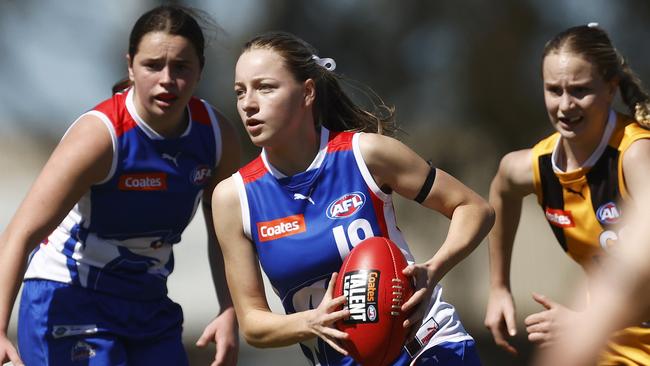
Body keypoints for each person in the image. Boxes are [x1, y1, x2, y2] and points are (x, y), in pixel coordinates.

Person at [211, 31, 494, 366]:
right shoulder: (234, 197)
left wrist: (433, 270)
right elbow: (253, 325)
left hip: (427, 348)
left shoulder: (366, 154)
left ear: (307, 93)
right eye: (240, 92)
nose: (248, 104)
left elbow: (474, 208)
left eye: (265, 87)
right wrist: (309, 322)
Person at [0, 5, 240, 366]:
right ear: (130, 66)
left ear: (200, 70)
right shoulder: (101, 136)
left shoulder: (216, 136)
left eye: (181, 67)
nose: (166, 79)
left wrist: (230, 308)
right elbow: (20, 234)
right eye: (152, 65)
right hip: (70, 297)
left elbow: (228, 233)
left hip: (148, 304)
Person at [483, 23, 650, 364]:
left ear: (610, 89)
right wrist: (498, 287)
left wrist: (584, 323)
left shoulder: (635, 156)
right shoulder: (537, 166)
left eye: (580, 90)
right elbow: (502, 189)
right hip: (604, 349)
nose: (565, 105)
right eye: (554, 90)